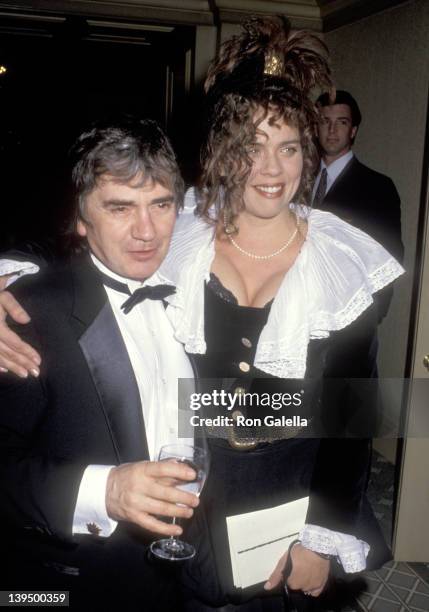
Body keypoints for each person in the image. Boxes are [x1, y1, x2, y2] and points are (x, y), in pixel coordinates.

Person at [0, 16, 404, 612]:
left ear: (308, 154)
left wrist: (324, 532)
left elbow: (351, 413)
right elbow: (82, 236)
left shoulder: (340, 261)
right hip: (186, 477)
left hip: (287, 486)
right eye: (251, 147)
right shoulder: (178, 225)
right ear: (221, 153)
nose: (271, 169)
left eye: (288, 147)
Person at [0, 117, 201, 611]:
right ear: (81, 219)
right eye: (120, 207)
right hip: (51, 589)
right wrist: (103, 491)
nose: (147, 231)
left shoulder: (196, 293)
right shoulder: (26, 313)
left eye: (161, 204)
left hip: (175, 576)